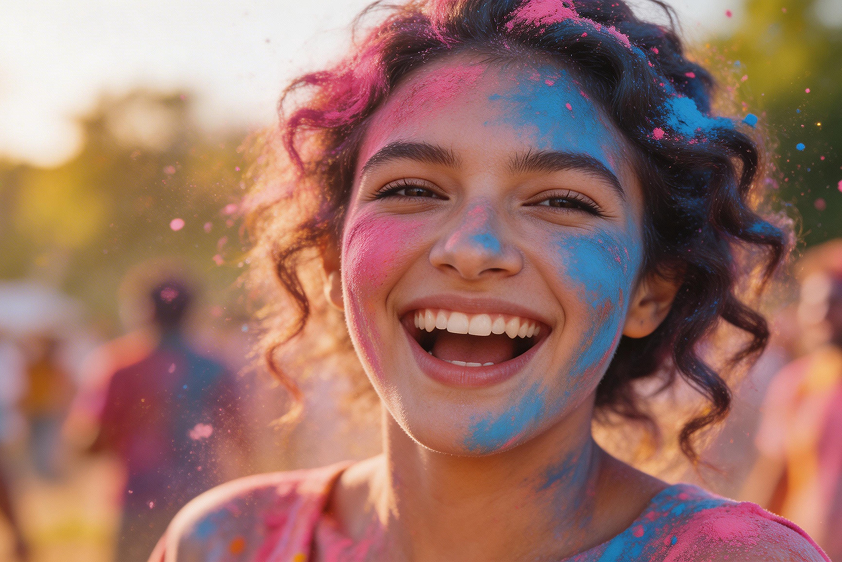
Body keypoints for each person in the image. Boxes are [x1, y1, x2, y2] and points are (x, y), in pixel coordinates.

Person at [151, 0, 829, 560]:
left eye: (562, 201)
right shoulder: (223, 543)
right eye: (413, 188)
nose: (472, 248)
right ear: (333, 261)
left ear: (651, 290)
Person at [90, 277, 242, 562]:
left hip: (140, 499)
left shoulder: (121, 365)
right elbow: (242, 437)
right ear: (192, 310)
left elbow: (94, 440)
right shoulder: (214, 365)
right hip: (201, 497)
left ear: (144, 311)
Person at [745, 262, 842, 559]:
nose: (821, 314)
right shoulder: (797, 383)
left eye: (835, 303)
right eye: (812, 304)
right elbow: (773, 478)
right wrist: (745, 542)